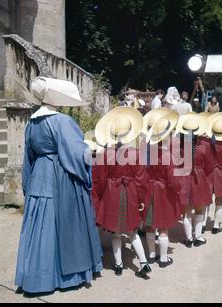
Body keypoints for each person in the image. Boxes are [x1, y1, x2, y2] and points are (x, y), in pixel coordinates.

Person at [15, 77, 103, 295]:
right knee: (65, 222)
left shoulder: (32, 123)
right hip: (60, 176)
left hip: (39, 176)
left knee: (41, 224)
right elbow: (75, 153)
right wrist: (92, 155)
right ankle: (66, 276)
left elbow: (28, 157)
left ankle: (37, 276)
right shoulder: (62, 121)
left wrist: (28, 183)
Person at [93, 107, 152, 278]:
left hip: (112, 193)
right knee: (132, 231)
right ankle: (143, 262)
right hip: (131, 193)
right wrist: (141, 199)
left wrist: (102, 196)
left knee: (115, 231)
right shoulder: (135, 154)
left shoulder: (106, 154)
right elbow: (142, 179)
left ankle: (118, 265)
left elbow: (100, 179)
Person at [142, 111, 182, 268]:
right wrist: (177, 189)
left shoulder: (147, 152)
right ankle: (163, 259)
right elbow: (173, 178)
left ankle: (151, 254)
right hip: (164, 191)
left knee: (150, 224)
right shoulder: (167, 155)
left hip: (149, 189)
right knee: (163, 226)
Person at [176, 113, 213, 247]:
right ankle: (198, 237)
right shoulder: (204, 146)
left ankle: (188, 238)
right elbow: (209, 167)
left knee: (186, 212)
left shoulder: (179, 147)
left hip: (184, 178)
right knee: (199, 209)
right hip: (199, 178)